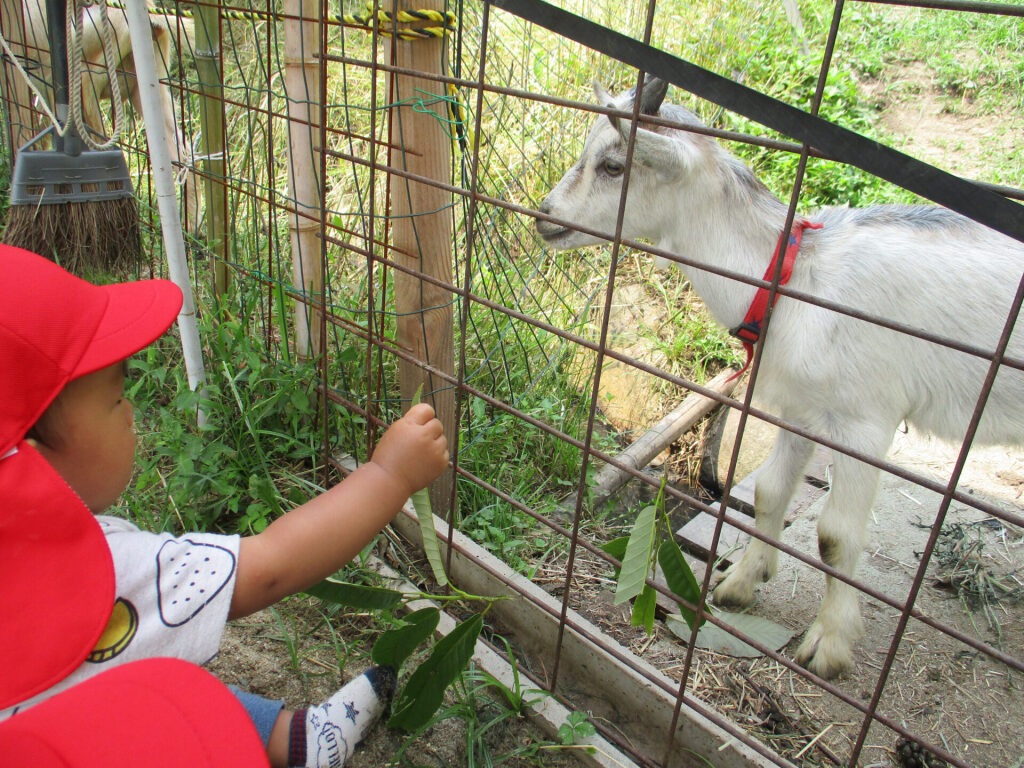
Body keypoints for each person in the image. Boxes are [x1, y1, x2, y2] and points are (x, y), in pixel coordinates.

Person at [0, 245, 449, 767]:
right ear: (27, 461)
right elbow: (270, 568)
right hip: (74, 740)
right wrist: (388, 475)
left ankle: (295, 738)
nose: (130, 412)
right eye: (116, 397)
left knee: (128, 666)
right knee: (162, 696)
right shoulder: (104, 571)